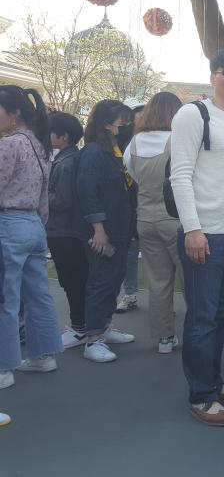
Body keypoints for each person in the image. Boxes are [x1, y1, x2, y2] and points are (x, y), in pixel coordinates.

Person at [170, 49, 224, 426]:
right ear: (213, 76)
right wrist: (192, 228)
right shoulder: (193, 115)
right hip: (205, 236)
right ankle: (202, 395)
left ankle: (214, 382)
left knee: (220, 315)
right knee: (202, 317)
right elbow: (180, 175)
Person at [0, 85, 63, 386]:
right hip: (34, 224)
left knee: (6, 298)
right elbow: (43, 196)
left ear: (14, 113)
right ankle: (44, 355)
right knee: (38, 295)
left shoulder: (9, 145)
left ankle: (3, 368)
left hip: (8, 223)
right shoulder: (40, 145)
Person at [123, 92, 184, 354]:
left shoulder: (134, 142)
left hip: (145, 218)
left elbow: (134, 174)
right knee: (191, 279)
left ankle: (164, 338)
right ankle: (202, 331)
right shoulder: (178, 140)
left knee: (158, 281)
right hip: (176, 219)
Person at [76, 100, 137, 363]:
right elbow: (88, 192)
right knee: (101, 281)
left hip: (122, 226)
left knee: (114, 278)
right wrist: (98, 229)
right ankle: (93, 339)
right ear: (105, 124)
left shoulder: (117, 151)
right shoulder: (93, 153)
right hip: (104, 229)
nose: (127, 126)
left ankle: (105, 327)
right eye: (122, 121)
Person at [46, 112, 90, 349]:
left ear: (63, 136)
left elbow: (63, 200)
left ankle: (79, 327)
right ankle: (84, 326)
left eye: (50, 132)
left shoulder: (66, 163)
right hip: (68, 230)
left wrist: (40, 194)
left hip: (64, 231)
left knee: (72, 281)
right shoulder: (70, 158)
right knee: (75, 280)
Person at [115, 98, 145, 314]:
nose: (141, 116)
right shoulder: (118, 143)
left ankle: (163, 301)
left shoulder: (151, 138)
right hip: (126, 204)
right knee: (129, 252)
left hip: (150, 204)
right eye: (137, 112)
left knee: (159, 257)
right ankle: (130, 294)